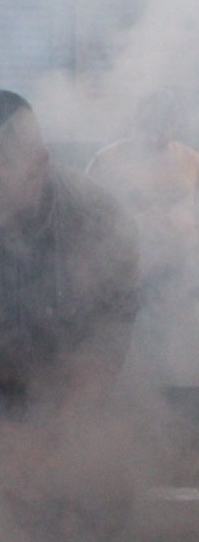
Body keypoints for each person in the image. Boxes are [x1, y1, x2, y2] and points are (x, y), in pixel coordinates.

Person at [0, 90, 140, 542]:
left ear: (38, 164)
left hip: (65, 393)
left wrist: (57, 427)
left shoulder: (96, 218)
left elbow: (111, 329)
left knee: (65, 532)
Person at [87, 93, 199, 390]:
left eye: (164, 128)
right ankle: (133, 396)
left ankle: (178, 394)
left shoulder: (192, 161)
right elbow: (87, 214)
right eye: (149, 127)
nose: (155, 137)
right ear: (137, 122)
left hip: (180, 273)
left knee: (177, 351)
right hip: (129, 270)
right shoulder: (108, 160)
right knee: (131, 349)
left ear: (175, 126)